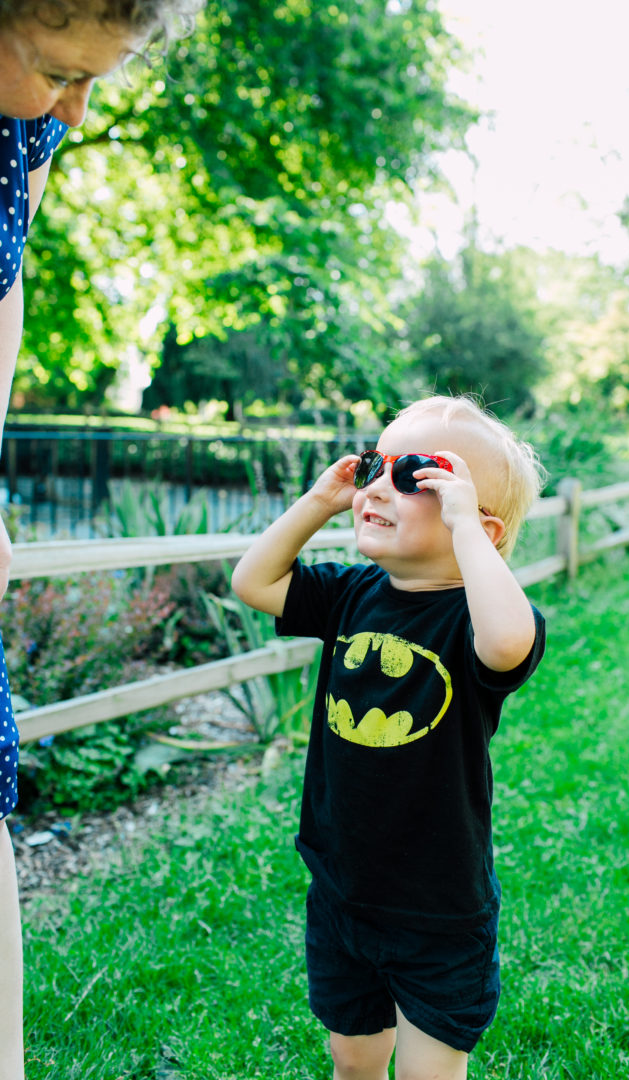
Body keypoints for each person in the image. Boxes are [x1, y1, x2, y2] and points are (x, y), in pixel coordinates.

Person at [0, 2, 202, 1075]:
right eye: (53, 69)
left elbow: (5, 277)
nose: (75, 110)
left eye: (96, 81)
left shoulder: (26, 128)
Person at [232, 394, 547, 1080]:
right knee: (353, 1060)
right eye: (377, 464)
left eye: (416, 476)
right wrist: (319, 501)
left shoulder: (473, 619)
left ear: (478, 525)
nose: (377, 485)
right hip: (342, 889)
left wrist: (467, 531)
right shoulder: (352, 593)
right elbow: (253, 581)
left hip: (438, 912)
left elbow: (508, 642)